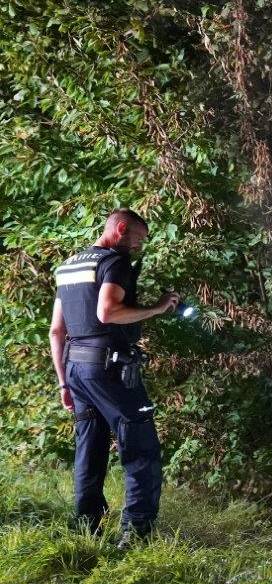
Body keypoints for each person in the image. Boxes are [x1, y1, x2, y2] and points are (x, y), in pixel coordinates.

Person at [48, 209, 179, 546]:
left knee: (89, 450)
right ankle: (136, 534)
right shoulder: (114, 262)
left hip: (76, 368)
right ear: (121, 229)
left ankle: (85, 530)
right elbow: (107, 311)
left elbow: (56, 331)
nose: (139, 245)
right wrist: (158, 308)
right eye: (139, 237)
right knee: (140, 447)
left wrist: (63, 382)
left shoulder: (68, 267)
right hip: (110, 369)